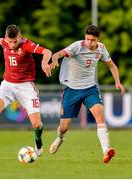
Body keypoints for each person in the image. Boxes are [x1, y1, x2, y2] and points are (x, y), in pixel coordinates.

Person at [49, 25, 125, 163]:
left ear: (98, 39)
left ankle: (106, 151)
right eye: (87, 39)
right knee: (64, 127)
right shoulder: (77, 47)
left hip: (90, 88)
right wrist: (54, 60)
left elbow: (112, 65)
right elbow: (57, 54)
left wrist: (117, 82)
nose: (89, 43)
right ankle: (60, 137)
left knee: (99, 115)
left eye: (92, 40)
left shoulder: (101, 48)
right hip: (71, 90)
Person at [0, 24, 52, 156]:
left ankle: (38, 140)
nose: (12, 44)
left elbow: (47, 52)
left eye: (15, 41)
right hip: (8, 84)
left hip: (26, 86)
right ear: (6, 38)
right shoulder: (5, 41)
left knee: (36, 124)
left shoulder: (26, 45)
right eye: (10, 41)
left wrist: (44, 63)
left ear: (21, 37)